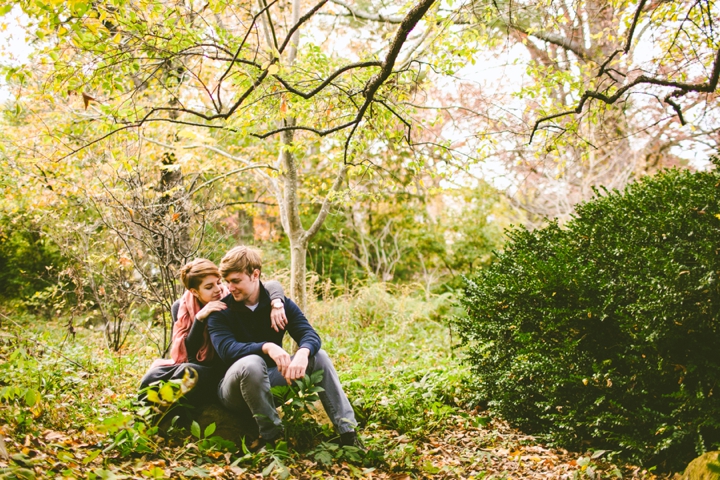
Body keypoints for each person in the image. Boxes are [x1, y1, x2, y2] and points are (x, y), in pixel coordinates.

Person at [206, 246, 360, 449]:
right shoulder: (221, 310)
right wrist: (267, 347)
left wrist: (303, 353)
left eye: (236, 281)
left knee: (318, 356)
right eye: (228, 282)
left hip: (272, 381)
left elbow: (309, 334)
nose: (230, 287)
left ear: (255, 275)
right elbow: (227, 350)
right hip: (234, 391)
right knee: (252, 363)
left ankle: (348, 434)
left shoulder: (278, 304)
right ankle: (271, 438)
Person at [139, 258, 288, 407]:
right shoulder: (181, 308)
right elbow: (190, 353)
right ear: (194, 292)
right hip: (204, 366)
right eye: (209, 287)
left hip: (228, 368)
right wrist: (199, 319)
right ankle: (143, 417)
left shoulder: (232, 297)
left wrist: (276, 303)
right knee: (155, 374)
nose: (218, 289)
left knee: (187, 373)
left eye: (218, 282)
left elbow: (271, 285)